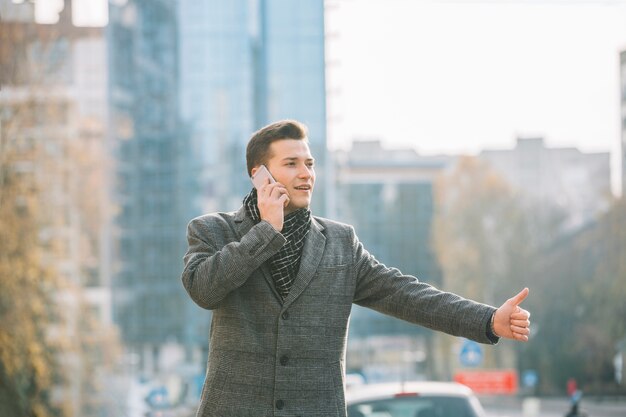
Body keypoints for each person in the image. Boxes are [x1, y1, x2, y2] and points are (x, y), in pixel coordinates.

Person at [181, 119, 531, 417]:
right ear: (260, 175)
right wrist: (265, 232)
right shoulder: (213, 230)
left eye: (310, 163)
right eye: (291, 164)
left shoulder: (340, 243)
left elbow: (406, 294)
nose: (306, 174)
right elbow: (204, 290)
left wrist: (487, 320)